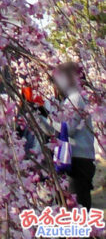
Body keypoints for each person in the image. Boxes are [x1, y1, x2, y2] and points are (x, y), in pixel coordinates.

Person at [52, 62, 96, 209]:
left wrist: (47, 121)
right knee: (77, 203)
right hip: (82, 158)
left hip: (77, 159)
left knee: (77, 205)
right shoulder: (77, 97)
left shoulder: (75, 98)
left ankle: (85, 231)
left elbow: (68, 129)